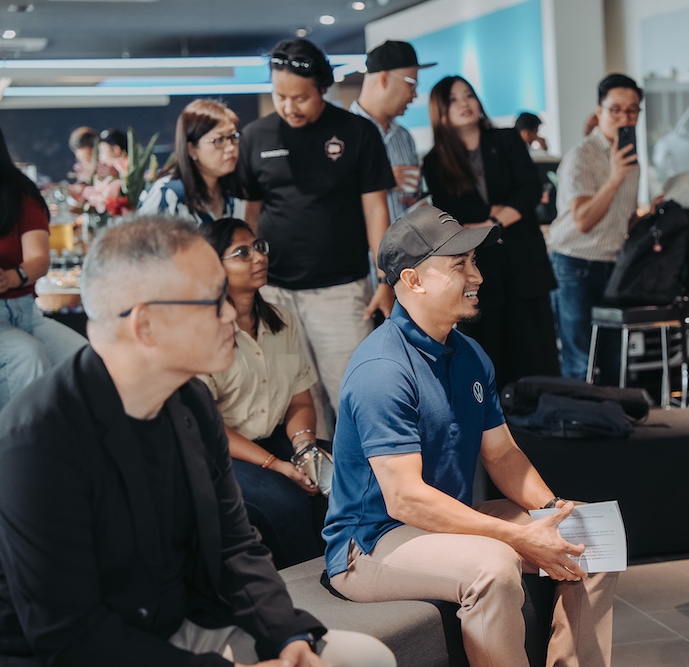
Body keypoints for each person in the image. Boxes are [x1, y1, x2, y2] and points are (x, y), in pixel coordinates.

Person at [0, 217, 396, 666]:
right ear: (146, 325)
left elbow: (233, 543)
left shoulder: (190, 400)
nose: (229, 314)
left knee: (367, 658)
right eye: (212, 301)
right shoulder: (36, 441)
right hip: (89, 651)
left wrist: (286, 635)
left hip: (185, 618)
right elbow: (72, 636)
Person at [323, 206, 617, 667]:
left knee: (591, 535)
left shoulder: (469, 354)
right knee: (494, 566)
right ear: (413, 280)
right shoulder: (382, 369)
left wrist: (552, 511)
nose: (476, 275)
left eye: (474, 261)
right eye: (459, 264)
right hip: (372, 543)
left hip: (444, 520)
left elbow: (502, 455)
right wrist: (517, 537)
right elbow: (405, 500)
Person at [239, 38, 395, 432]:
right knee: (298, 403)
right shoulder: (256, 136)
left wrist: (385, 279)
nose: (289, 107)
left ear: (323, 87)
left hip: (340, 291)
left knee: (354, 396)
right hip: (274, 293)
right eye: (280, 96)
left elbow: (376, 209)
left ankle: (368, 471)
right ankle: (317, 471)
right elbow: (250, 213)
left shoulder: (357, 132)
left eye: (301, 98)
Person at [198, 217, 327, 569]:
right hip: (220, 453)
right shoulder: (203, 331)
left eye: (258, 247)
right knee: (286, 502)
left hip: (275, 440)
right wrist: (277, 465)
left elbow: (300, 397)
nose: (258, 257)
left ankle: (355, 570)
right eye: (242, 253)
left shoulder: (281, 319)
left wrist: (305, 449)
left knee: (343, 473)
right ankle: (305, 590)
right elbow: (207, 426)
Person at [422, 75, 559, 390]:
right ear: (441, 112)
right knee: (490, 358)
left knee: (536, 355)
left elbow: (529, 189)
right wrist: (498, 214)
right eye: (453, 100)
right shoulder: (435, 161)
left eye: (468, 95)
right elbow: (451, 214)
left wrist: (490, 222)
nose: (464, 104)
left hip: (523, 262)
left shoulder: (507, 140)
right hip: (478, 270)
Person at [547, 73, 642, 380]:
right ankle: (577, 413)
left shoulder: (630, 160)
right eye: (616, 110)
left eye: (632, 110)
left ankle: (611, 410)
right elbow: (583, 220)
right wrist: (614, 178)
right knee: (580, 361)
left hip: (613, 264)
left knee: (614, 358)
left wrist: (648, 215)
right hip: (575, 264)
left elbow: (622, 219)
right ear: (600, 111)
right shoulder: (582, 155)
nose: (624, 118)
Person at [0, 125, 87, 410]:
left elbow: (38, 258)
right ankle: (20, 438)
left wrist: (12, 277)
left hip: (27, 312)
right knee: (27, 356)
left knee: (87, 361)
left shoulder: (18, 192)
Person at [351, 40, 435, 223]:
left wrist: (417, 201)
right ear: (384, 79)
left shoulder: (404, 137)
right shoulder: (342, 135)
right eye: (411, 84)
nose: (414, 94)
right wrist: (382, 179)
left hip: (407, 240)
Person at [139, 99, 246, 226]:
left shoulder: (232, 196)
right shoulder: (167, 195)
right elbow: (141, 238)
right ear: (191, 149)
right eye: (219, 140)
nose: (231, 148)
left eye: (233, 137)